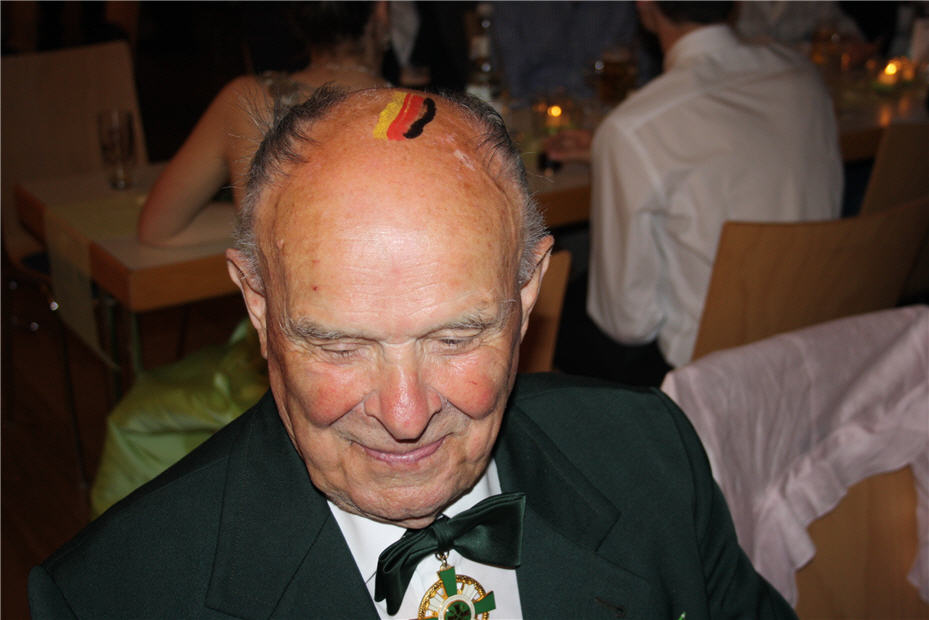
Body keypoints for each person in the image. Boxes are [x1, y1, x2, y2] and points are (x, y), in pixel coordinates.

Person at [30, 86, 796, 619]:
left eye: (455, 337)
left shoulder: (650, 456)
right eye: (339, 345)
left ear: (527, 291)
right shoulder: (111, 599)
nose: (405, 417)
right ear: (257, 306)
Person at [548, 1, 842, 384]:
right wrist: (612, 152)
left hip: (705, 371)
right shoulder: (803, 76)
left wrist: (618, 148)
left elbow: (628, 324)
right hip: (812, 335)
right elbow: (739, 149)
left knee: (556, 310)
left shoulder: (635, 128)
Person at [137, 1, 389, 246]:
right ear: (381, 9)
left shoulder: (247, 100)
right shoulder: (409, 111)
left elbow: (158, 228)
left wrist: (255, 223)